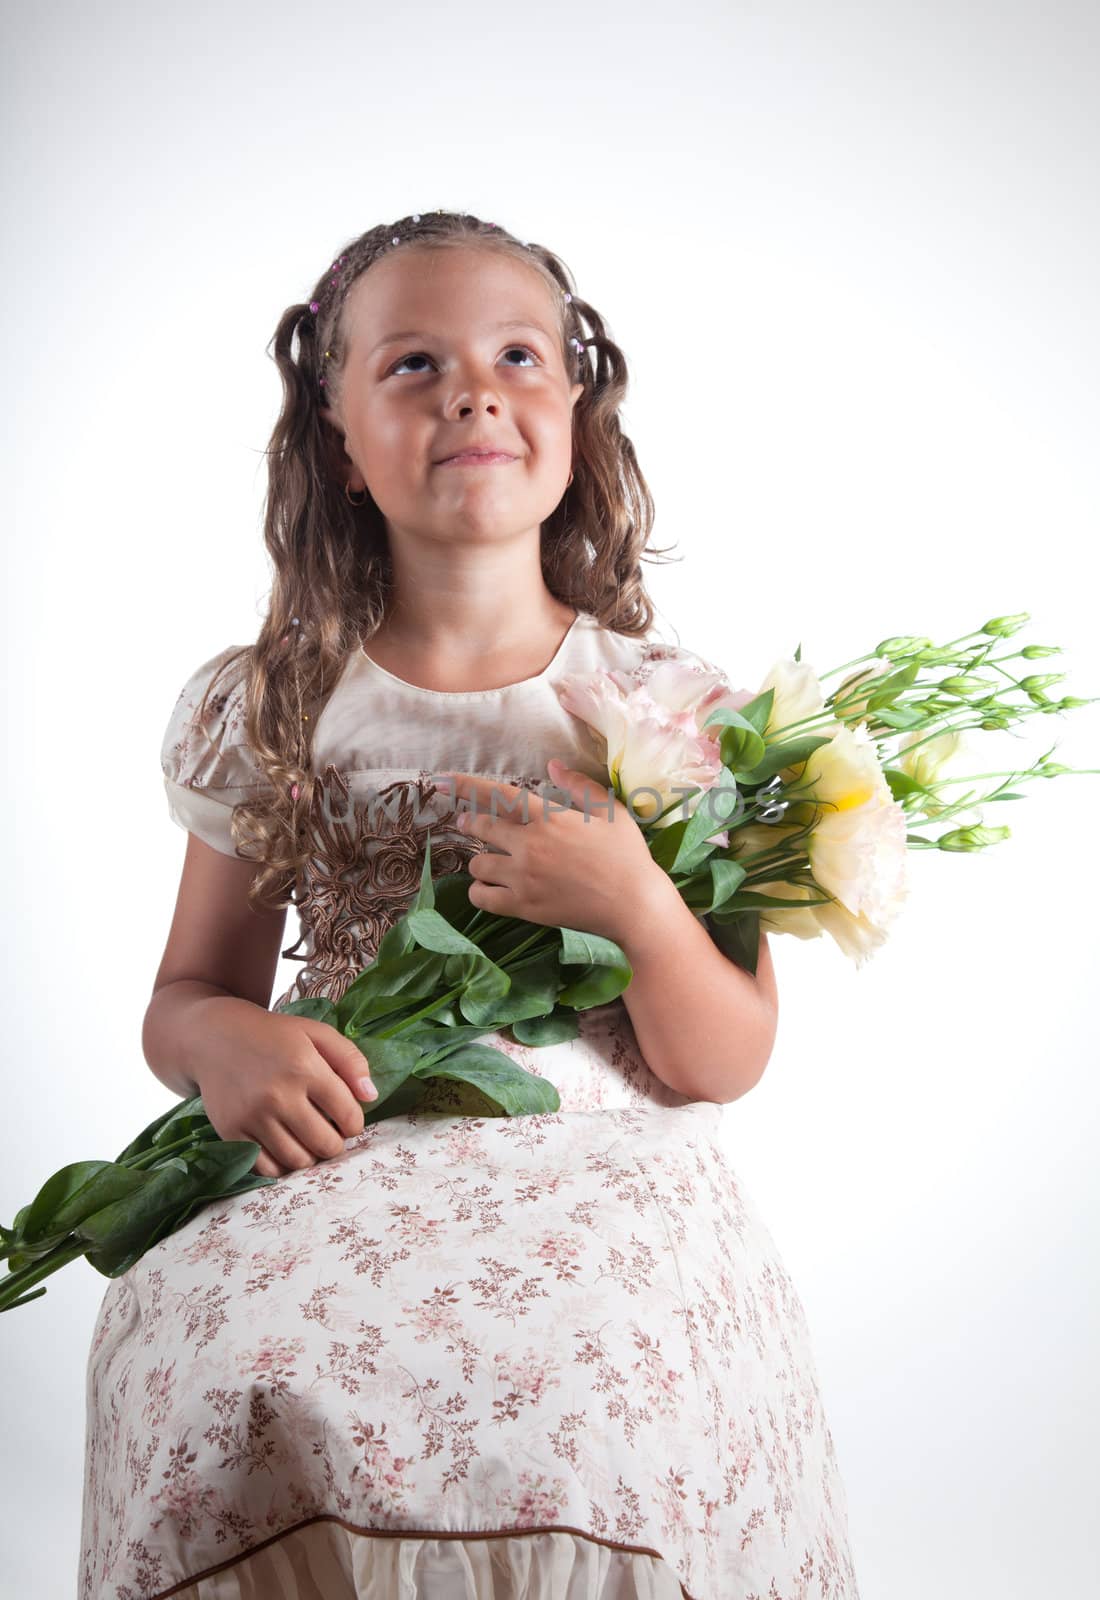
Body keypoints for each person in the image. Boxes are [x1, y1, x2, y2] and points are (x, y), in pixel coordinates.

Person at [78, 210, 861, 1599]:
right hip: (347, 1136)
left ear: (574, 405)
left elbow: (723, 1055)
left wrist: (632, 897)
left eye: (515, 355)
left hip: (594, 1158)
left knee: (592, 1380)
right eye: (415, 365)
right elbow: (185, 993)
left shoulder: (664, 711)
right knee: (203, 1338)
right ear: (337, 442)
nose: (473, 392)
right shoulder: (272, 707)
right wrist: (225, 1046)